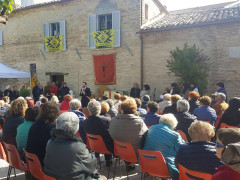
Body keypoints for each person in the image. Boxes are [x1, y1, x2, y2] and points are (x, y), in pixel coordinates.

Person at [44, 112, 106, 180]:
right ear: (76, 127)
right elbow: (92, 165)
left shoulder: (50, 142)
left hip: (52, 177)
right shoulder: (79, 147)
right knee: (103, 178)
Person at [143, 114, 185, 180]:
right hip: (164, 167)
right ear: (173, 124)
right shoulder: (175, 135)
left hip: (146, 163)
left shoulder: (151, 128)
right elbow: (181, 150)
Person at [26, 102, 59, 167]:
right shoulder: (52, 129)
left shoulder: (34, 125)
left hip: (32, 163)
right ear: (55, 115)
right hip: (44, 165)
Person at [82, 100, 113, 166]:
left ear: (89, 110)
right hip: (107, 147)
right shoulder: (107, 120)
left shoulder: (85, 122)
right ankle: (108, 161)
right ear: (99, 109)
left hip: (93, 146)